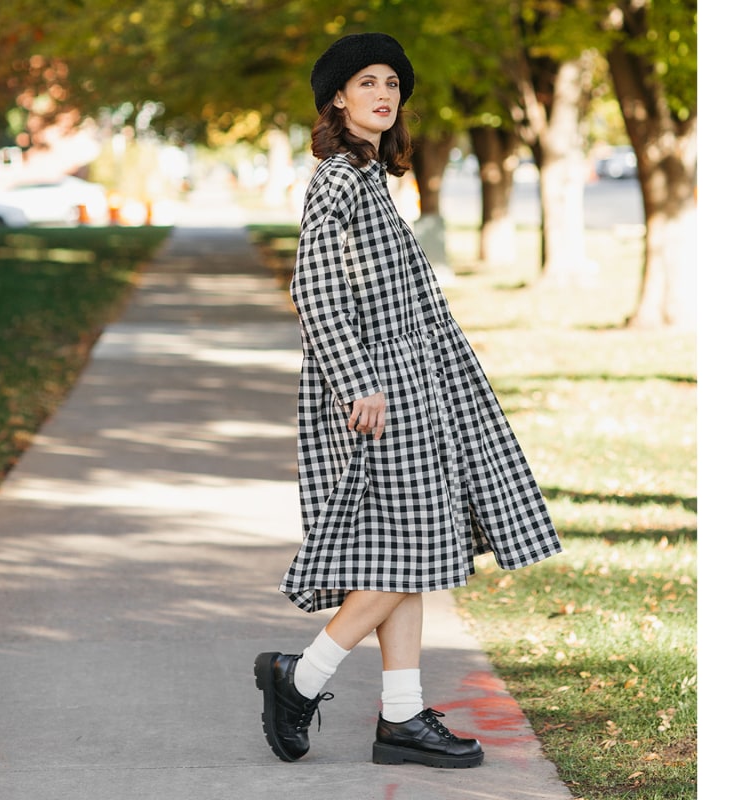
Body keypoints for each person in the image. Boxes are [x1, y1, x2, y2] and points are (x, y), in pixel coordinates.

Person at [254, 32, 562, 769]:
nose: (383, 94)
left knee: (413, 550)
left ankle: (399, 719)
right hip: (377, 392)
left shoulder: (369, 177)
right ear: (337, 96)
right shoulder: (336, 178)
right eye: (366, 82)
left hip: (411, 383)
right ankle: (299, 677)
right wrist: (358, 380)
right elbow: (317, 290)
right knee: (409, 551)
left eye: (392, 82)